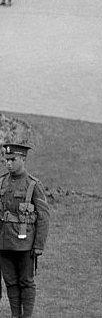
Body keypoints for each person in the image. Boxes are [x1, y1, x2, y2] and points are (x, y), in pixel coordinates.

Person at [0, 118, 50, 318]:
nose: (9, 163)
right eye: (6, 159)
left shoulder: (33, 185)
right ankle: (15, 315)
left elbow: (44, 217)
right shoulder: (1, 183)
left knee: (26, 282)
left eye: (13, 160)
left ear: (23, 160)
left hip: (25, 244)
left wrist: (39, 245)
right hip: (3, 244)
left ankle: (26, 316)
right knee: (10, 282)